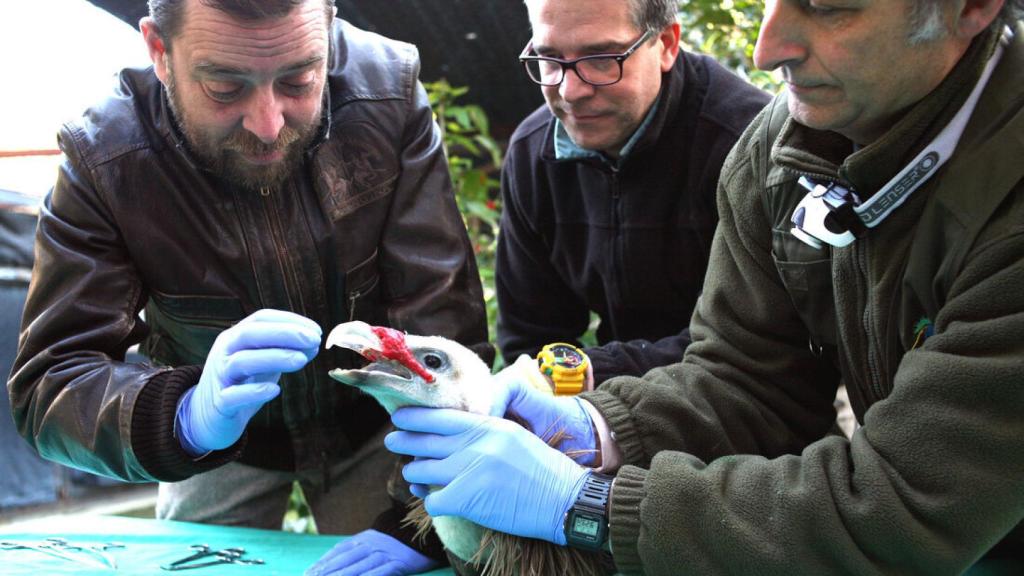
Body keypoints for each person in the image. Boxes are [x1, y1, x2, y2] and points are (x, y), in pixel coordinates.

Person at [384, 0, 1024, 573]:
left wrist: (588, 507)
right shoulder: (782, 151)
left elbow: (900, 506)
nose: (767, 48)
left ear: (970, 7)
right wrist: (594, 425)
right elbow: (749, 379)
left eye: (829, 6)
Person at [7, 0, 488, 571]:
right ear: (160, 50)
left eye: (299, 80)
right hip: (217, 446)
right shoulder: (106, 156)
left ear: (328, 31)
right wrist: (183, 415)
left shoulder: (388, 92)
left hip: (377, 423)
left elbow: (443, 326)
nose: (269, 124)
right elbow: (52, 380)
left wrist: (413, 524)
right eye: (224, 87)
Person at [496, 0, 768, 386]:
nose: (571, 91)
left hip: (756, 416)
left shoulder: (745, 146)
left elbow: (759, 346)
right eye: (550, 59)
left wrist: (593, 374)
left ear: (667, 44)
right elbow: (531, 338)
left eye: (601, 59)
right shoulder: (533, 153)